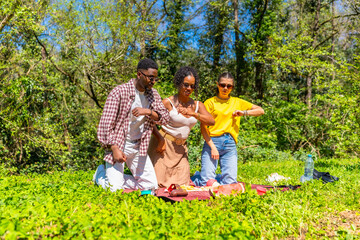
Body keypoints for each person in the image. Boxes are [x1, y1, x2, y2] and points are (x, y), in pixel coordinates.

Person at [93, 58, 170, 192]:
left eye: (155, 79)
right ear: (139, 74)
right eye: (150, 78)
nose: (153, 82)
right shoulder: (119, 92)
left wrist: (148, 111)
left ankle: (117, 178)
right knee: (114, 190)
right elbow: (105, 125)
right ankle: (100, 175)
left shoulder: (153, 94)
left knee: (151, 187)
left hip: (138, 146)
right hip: (119, 144)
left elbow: (164, 118)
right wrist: (114, 148)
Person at [192, 72, 264, 186]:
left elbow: (260, 110)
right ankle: (196, 177)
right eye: (222, 85)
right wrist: (212, 147)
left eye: (229, 86)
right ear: (217, 84)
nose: (225, 88)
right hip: (212, 142)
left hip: (230, 143)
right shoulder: (210, 102)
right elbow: (203, 128)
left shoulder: (237, 102)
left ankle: (215, 179)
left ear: (232, 87)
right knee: (206, 183)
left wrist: (244, 112)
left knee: (230, 183)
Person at [148, 66, 215, 188]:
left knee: (182, 186)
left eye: (192, 86)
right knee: (159, 185)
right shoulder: (168, 102)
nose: (189, 88)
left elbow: (211, 121)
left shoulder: (197, 105)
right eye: (186, 85)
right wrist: (159, 139)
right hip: (163, 146)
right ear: (179, 83)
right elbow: (149, 121)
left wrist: (194, 114)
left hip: (181, 149)